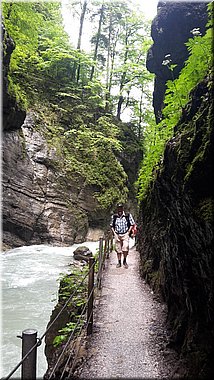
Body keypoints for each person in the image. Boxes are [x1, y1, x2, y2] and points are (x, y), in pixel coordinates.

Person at [110, 204, 135, 269]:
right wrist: (114, 233)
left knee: (125, 247)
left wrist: (128, 232)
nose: (120, 209)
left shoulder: (127, 215)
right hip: (117, 234)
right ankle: (119, 262)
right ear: (117, 209)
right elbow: (111, 226)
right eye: (118, 208)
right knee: (118, 249)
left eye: (121, 208)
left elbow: (132, 224)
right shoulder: (114, 216)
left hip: (125, 234)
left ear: (123, 208)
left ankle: (125, 260)